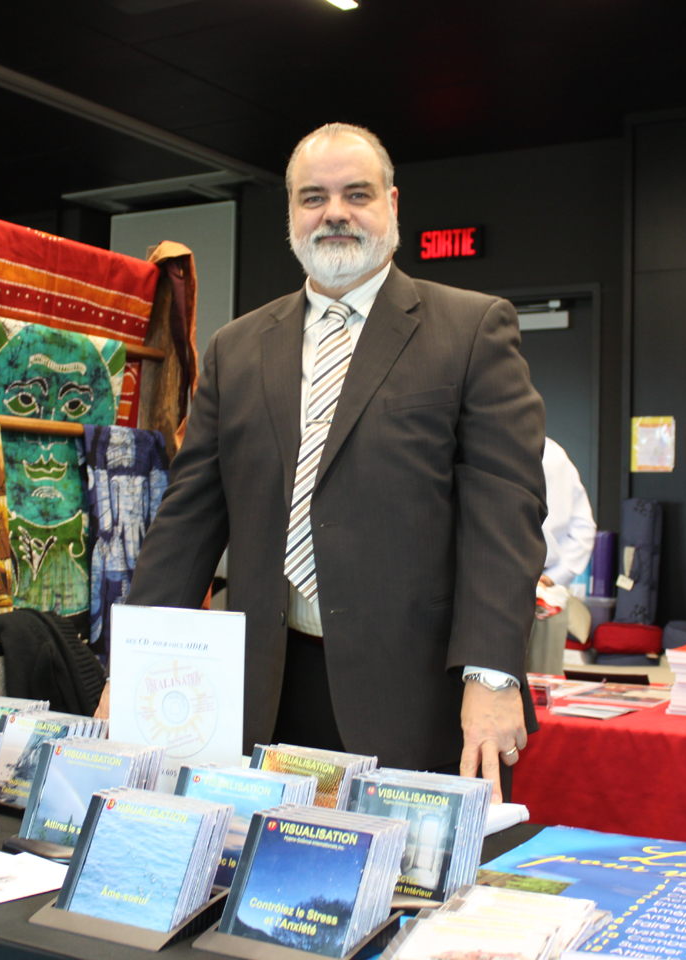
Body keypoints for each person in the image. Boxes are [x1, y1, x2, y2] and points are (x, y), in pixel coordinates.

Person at [125, 123, 545, 800]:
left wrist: (492, 677)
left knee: (418, 903)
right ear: (291, 214)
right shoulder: (236, 350)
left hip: (421, 701)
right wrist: (133, 673)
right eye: (313, 197)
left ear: (393, 206)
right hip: (265, 694)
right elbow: (186, 524)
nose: (335, 213)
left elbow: (506, 516)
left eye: (357, 193)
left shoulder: (471, 330)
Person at [539, 438, 596, 588]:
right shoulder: (553, 451)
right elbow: (583, 527)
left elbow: (583, 527)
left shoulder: (554, 453)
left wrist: (555, 576)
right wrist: (556, 575)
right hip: (543, 581)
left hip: (491, 577)